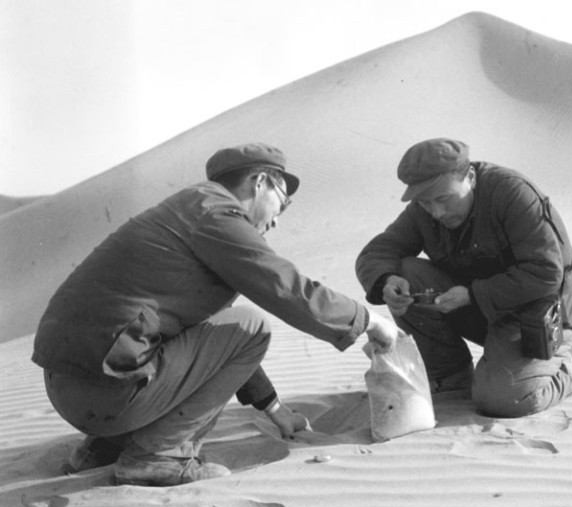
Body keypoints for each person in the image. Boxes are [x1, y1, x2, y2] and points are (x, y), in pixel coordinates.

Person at [32, 142, 401, 486]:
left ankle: (101, 448)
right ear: (260, 182)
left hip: (70, 389)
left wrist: (277, 410)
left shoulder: (186, 212)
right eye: (282, 203)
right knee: (253, 325)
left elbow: (211, 345)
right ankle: (159, 455)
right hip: (107, 393)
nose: (277, 221)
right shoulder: (215, 213)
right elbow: (286, 288)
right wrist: (369, 320)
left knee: (219, 329)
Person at [355, 138, 572, 418]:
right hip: (479, 310)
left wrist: (472, 295)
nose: (436, 212)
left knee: (503, 401)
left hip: (537, 315)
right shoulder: (423, 210)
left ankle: (561, 369)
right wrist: (386, 281)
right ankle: (450, 376)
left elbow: (545, 274)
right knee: (405, 272)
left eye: (444, 199)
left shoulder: (513, 194)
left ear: (470, 177)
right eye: (426, 203)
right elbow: (377, 252)